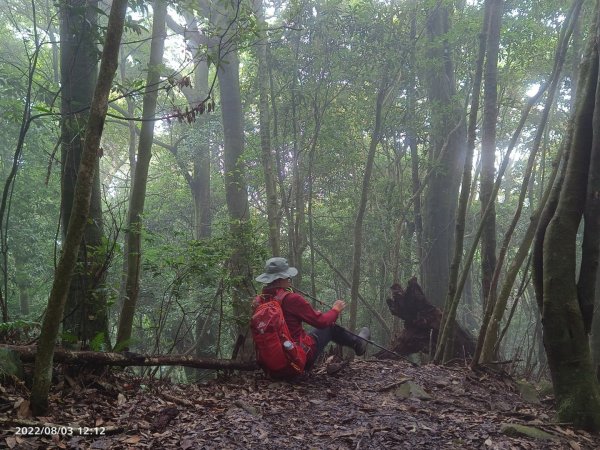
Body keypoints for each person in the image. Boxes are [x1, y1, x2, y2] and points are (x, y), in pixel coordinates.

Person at [255, 257, 371, 371]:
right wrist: (335, 310)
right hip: (296, 361)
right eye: (287, 276)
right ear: (280, 279)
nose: (289, 279)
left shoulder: (260, 301)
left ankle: (357, 343)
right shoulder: (291, 299)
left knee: (310, 333)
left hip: (272, 367)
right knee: (329, 327)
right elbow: (321, 322)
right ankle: (357, 344)